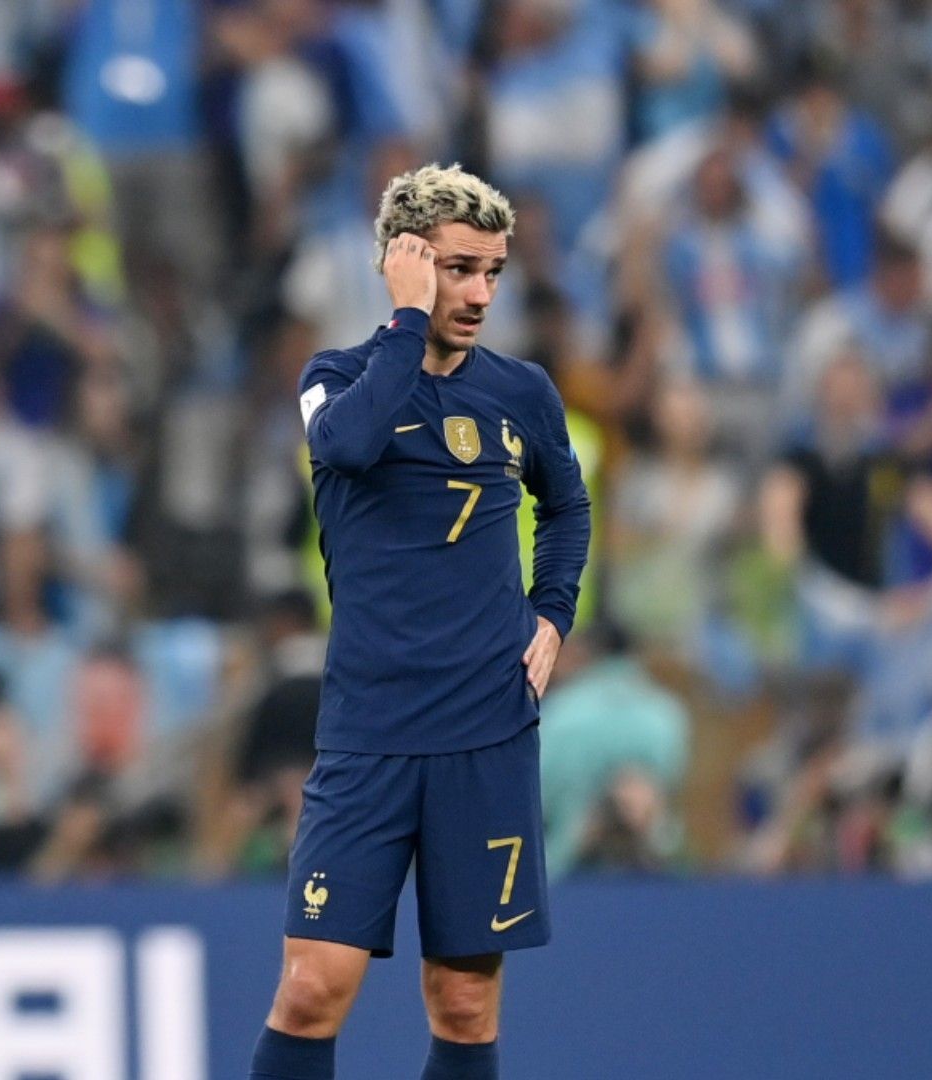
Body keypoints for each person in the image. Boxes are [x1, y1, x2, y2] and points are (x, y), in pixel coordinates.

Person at [250, 164, 591, 1080]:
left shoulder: (523, 393)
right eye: (456, 269)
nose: (478, 293)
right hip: (369, 733)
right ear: (402, 265)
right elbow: (350, 446)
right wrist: (406, 322)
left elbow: (567, 506)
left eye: (492, 272)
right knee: (314, 988)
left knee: (466, 1003)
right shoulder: (336, 381)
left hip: (486, 729)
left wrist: (552, 612)